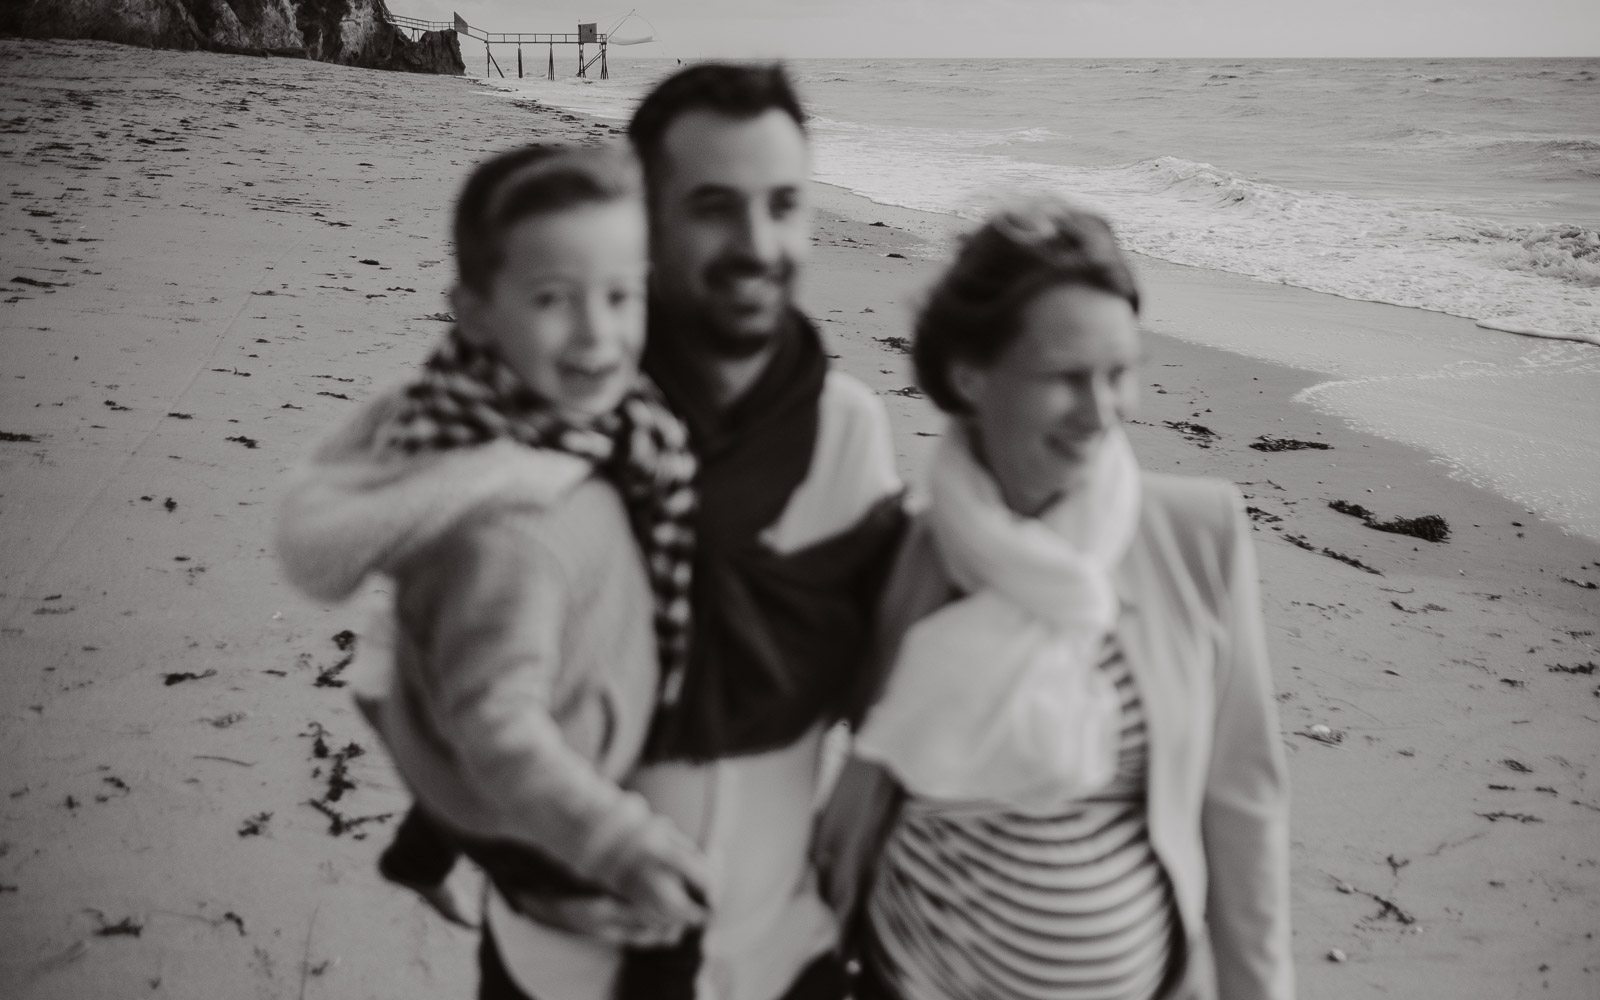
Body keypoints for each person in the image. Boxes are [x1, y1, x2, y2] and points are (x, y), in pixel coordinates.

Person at [482, 63, 907, 1000]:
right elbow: (417, 674)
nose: (759, 243)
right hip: (563, 965)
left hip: (778, 955)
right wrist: (490, 841)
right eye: (715, 206)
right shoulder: (543, 421)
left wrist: (873, 775)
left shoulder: (850, 430)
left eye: (785, 204)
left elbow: (894, 664)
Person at [814, 199, 1294, 1000]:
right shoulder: (902, 550)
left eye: (1119, 373)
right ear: (971, 373)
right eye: (1067, 377)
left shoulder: (1198, 534)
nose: (1103, 410)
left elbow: (1242, 804)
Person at [276, 144, 712, 999]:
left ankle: (424, 851)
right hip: (527, 795)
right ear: (475, 313)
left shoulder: (513, 412)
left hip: (469, 715)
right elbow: (499, 734)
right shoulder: (506, 534)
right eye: (553, 299)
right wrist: (619, 845)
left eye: (621, 296)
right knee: (656, 936)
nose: (597, 332)